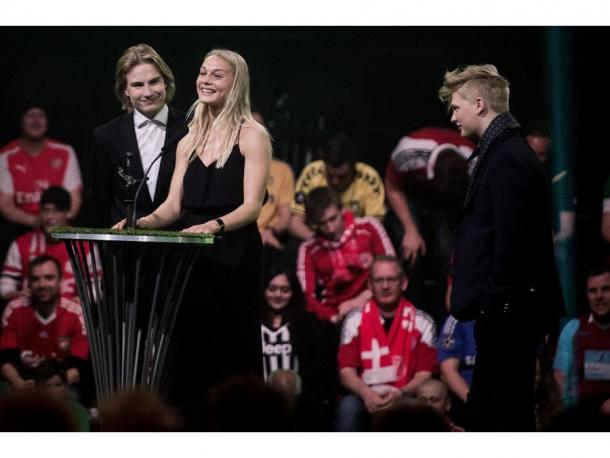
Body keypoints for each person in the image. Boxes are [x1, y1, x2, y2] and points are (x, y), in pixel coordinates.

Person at [114, 49, 271, 430]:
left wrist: (212, 227)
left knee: (230, 351)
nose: (206, 80)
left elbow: (252, 207)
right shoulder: (188, 137)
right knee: (189, 351)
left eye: (217, 75)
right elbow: (172, 207)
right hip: (191, 257)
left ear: (236, 84)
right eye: (203, 72)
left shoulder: (253, 135)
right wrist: (141, 222)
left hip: (233, 252)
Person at [438, 64, 564, 431]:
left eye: (456, 106)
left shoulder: (507, 156)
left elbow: (513, 244)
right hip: (505, 310)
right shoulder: (503, 152)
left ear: (479, 104)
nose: (452, 115)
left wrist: (498, 304)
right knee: (498, 409)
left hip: (508, 312)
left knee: (500, 413)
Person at [334, 255, 437, 432]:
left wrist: (401, 393)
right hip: (364, 395)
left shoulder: (423, 322)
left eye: (391, 279)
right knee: (348, 407)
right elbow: (346, 372)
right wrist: (366, 393)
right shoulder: (354, 319)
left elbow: (424, 374)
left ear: (403, 283)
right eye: (379, 280)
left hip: (405, 394)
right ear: (370, 285)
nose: (385, 286)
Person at [384, 127, 474, 325]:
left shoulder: (476, 162)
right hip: (410, 196)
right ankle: (407, 316)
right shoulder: (409, 152)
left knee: (447, 251)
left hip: (449, 204)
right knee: (411, 252)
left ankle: (448, 319)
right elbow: (392, 188)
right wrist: (410, 230)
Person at [93, 43, 187, 226]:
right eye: (137, 85)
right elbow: (101, 202)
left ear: (166, 82)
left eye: (154, 82)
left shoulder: (191, 128)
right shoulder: (105, 136)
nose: (148, 92)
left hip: (183, 248)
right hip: (127, 250)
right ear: (125, 90)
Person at [297, 186, 395, 323]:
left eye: (333, 219)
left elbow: (392, 271)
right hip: (336, 318)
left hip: (376, 304)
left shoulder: (369, 227)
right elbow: (308, 297)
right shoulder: (309, 249)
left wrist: (360, 300)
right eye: (322, 223)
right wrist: (332, 316)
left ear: (342, 209)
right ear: (314, 224)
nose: (330, 228)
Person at [260, 264, 339, 430]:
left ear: (293, 292)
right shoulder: (248, 323)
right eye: (272, 289)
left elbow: (321, 366)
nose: (278, 295)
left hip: (301, 402)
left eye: (285, 290)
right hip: (258, 399)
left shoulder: (307, 324)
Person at [0, 255, 88, 394]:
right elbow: (5, 360)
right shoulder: (14, 310)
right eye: (35, 279)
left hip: (61, 384)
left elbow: (79, 367)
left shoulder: (76, 314)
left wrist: (49, 387)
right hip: (21, 382)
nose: (42, 284)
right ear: (29, 283)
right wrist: (20, 384)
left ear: (61, 281)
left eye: (49, 278)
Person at [1, 186, 99, 302]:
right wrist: (18, 295)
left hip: (71, 315)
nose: (49, 216)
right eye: (45, 210)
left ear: (68, 213)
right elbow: (6, 284)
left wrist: (73, 304)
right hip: (31, 311)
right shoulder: (22, 244)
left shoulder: (85, 246)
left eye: (56, 210)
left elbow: (97, 288)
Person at [289, 133, 386, 240]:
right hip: (316, 235)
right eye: (330, 176)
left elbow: (375, 225)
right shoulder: (312, 173)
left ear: (353, 167)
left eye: (342, 177)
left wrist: (347, 246)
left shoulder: (369, 178)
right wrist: (318, 242)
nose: (335, 182)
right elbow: (295, 223)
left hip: (356, 236)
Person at [0, 105, 82, 228]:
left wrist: (54, 222)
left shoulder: (65, 152)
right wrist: (35, 221)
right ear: (21, 121)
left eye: (41, 116)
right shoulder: (6, 155)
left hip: (59, 228)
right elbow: (5, 204)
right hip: (20, 228)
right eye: (30, 115)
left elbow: (74, 200)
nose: (36, 121)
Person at [553, 265, 610, 414]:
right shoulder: (572, 330)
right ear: (586, 295)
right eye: (593, 291)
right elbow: (559, 384)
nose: (599, 296)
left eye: (605, 289)